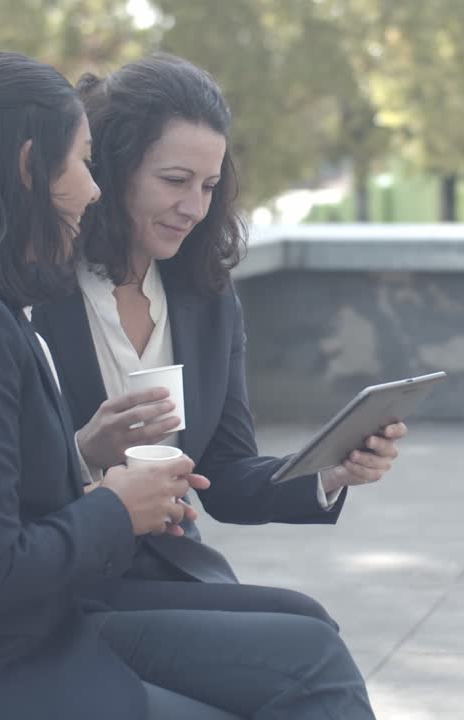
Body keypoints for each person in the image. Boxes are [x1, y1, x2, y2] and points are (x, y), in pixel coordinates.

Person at [0, 50, 372, 720]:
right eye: (82, 162)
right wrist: (112, 497)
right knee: (306, 665)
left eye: (209, 185)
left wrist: (326, 469)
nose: (90, 188)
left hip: (29, 623)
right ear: (31, 167)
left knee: (309, 642)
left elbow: (6, 498)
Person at [31, 54, 408, 611]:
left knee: (305, 626)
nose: (194, 208)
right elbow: (6, 488)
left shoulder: (203, 296)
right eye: (175, 181)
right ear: (110, 169)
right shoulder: (40, 292)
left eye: (209, 186)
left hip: (169, 569)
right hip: (63, 581)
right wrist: (85, 451)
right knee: (302, 643)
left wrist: (328, 471)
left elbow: (226, 474)